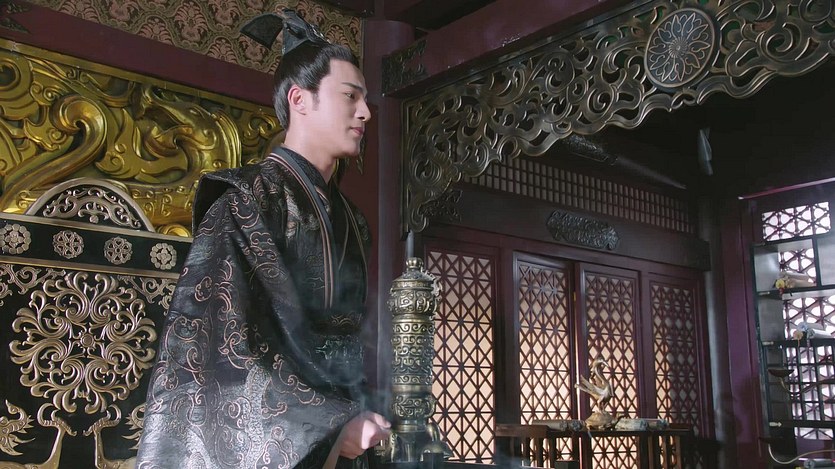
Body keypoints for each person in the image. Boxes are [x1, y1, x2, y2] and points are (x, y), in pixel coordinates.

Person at [136, 10, 390, 469]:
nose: (365, 112)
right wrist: (330, 426)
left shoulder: (353, 220)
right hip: (288, 437)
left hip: (350, 433)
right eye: (350, 96)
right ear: (300, 99)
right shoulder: (245, 200)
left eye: (365, 100)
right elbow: (220, 350)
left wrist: (359, 416)